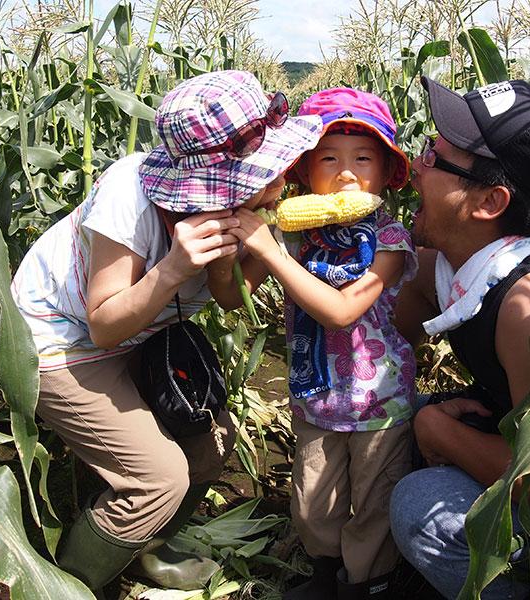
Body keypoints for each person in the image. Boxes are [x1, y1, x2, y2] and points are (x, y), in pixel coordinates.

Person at [10, 70, 322, 592]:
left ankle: (147, 548)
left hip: (140, 331)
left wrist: (248, 257)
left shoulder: (235, 209)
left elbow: (227, 297)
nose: (281, 186)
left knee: (211, 444)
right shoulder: (129, 193)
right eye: (268, 176)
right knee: (158, 479)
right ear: (219, 184)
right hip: (59, 341)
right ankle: (68, 585)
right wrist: (174, 268)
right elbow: (104, 324)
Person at [210, 88, 417, 599]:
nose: (346, 173)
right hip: (314, 397)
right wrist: (238, 232)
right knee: (312, 501)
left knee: (373, 504)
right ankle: (325, 575)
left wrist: (273, 254)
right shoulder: (293, 235)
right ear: (303, 170)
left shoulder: (390, 239)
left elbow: (343, 311)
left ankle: (367, 585)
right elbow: (230, 296)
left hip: (380, 402)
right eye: (328, 158)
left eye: (363, 159)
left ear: (387, 171)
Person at [388, 78, 530, 600]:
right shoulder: (443, 262)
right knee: (382, 415)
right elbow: (384, 351)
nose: (414, 168)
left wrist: (441, 431)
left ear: (489, 200)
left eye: (433, 157)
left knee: (419, 509)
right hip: (505, 434)